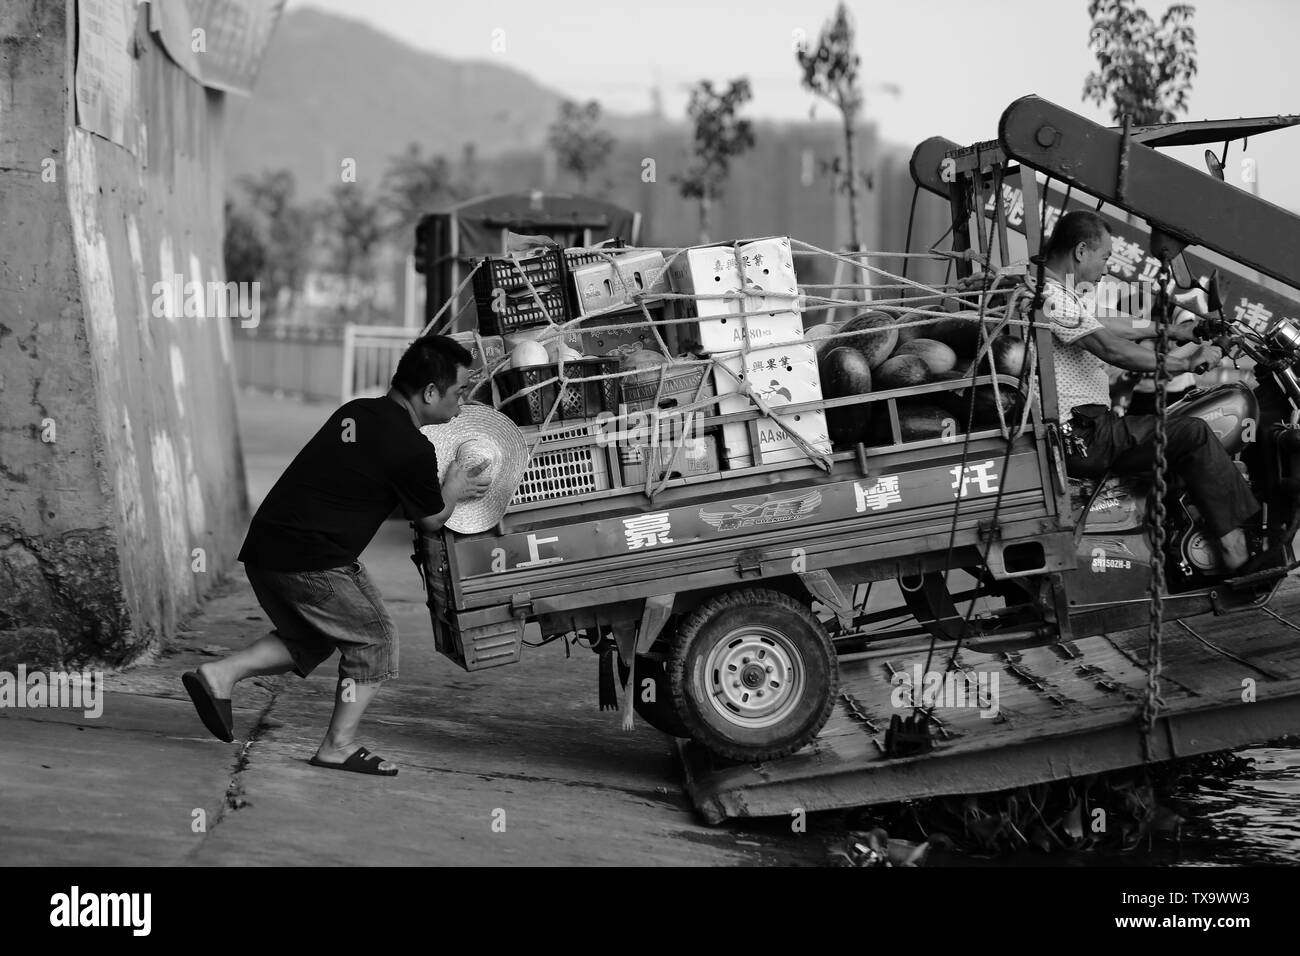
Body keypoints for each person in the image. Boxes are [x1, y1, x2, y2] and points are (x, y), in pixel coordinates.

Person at [182, 335, 492, 775]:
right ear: (429, 393)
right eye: (459, 393)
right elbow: (430, 519)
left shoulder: (355, 412)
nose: (461, 406)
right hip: (310, 560)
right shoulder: (412, 448)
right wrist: (455, 489)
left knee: (312, 637)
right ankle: (337, 746)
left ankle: (220, 676)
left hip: (267, 549)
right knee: (374, 639)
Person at [1023, 210, 1267, 575]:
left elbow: (1106, 320)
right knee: (1194, 432)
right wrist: (1187, 363)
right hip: (1085, 435)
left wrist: (1173, 330)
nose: (1106, 267)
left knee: (1179, 428)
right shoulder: (1051, 296)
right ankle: (1236, 554)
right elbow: (1112, 348)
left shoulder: (1050, 288)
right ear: (1080, 251)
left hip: (1085, 428)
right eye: (1104, 257)